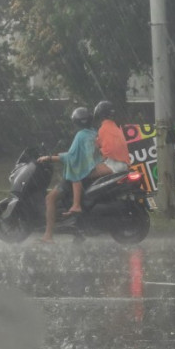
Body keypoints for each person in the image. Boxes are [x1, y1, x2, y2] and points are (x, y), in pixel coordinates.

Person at [37, 107, 101, 243]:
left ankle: (48, 235)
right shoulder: (94, 133)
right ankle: (77, 231)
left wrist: (49, 158)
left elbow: (72, 157)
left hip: (79, 174)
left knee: (50, 198)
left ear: (76, 122)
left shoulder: (81, 136)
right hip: (90, 173)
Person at [92, 100, 131, 175]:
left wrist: (100, 151)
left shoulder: (103, 129)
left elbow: (108, 149)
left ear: (99, 116)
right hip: (124, 165)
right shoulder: (115, 127)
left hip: (114, 164)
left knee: (84, 174)